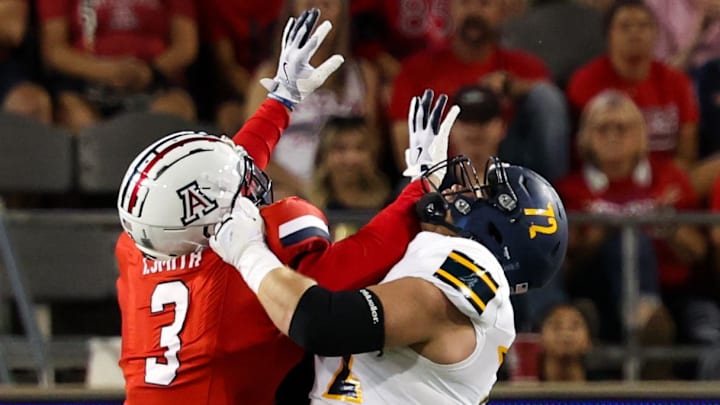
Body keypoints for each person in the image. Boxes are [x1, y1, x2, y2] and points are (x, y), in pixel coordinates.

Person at [115, 9, 347, 404]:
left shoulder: (133, 250)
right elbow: (340, 301)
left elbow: (217, 187)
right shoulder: (261, 238)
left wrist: (281, 100)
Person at [210, 156, 569, 403]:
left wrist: (247, 252)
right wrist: (416, 185)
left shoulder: (474, 268)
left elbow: (322, 322)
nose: (463, 191)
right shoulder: (433, 263)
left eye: (484, 196)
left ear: (499, 232)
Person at [389, 0, 570, 183]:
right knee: (410, 186)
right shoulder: (416, 70)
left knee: (545, 96)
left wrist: (513, 87)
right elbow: (406, 148)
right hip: (442, 173)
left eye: (484, 4)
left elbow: (550, 107)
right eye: (465, 3)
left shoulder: (527, 67)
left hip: (513, 173)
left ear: (501, 11)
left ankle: (553, 195)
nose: (473, 12)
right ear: (450, 9)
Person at [245, 0, 381, 200]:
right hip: (289, 191)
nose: (318, 13)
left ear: (342, 14)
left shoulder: (363, 74)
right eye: (309, 4)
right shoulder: (267, 76)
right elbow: (251, 154)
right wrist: (304, 188)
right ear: (293, 11)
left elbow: (372, 147)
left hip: (348, 194)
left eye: (327, 4)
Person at [37, 0, 198, 133]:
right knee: (76, 117)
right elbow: (54, 50)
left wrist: (149, 73)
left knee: (172, 112)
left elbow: (185, 46)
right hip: (86, 82)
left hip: (154, 80)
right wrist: (108, 71)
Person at [309, 115, 391, 210]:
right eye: (340, 148)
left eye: (360, 148)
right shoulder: (305, 209)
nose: (351, 159)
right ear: (324, 156)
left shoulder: (390, 205)